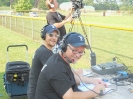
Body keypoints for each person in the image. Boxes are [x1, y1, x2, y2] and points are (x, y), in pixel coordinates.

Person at [35, 32, 108, 99]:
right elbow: (69, 97)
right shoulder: (56, 68)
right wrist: (95, 91)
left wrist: (92, 81)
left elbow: (69, 79)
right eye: (74, 50)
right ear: (64, 47)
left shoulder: (59, 59)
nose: (78, 55)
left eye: (81, 52)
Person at [27, 24, 60, 99]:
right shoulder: (44, 53)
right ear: (44, 36)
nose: (54, 38)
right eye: (51, 35)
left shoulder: (45, 50)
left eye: (56, 35)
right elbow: (57, 74)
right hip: (38, 94)